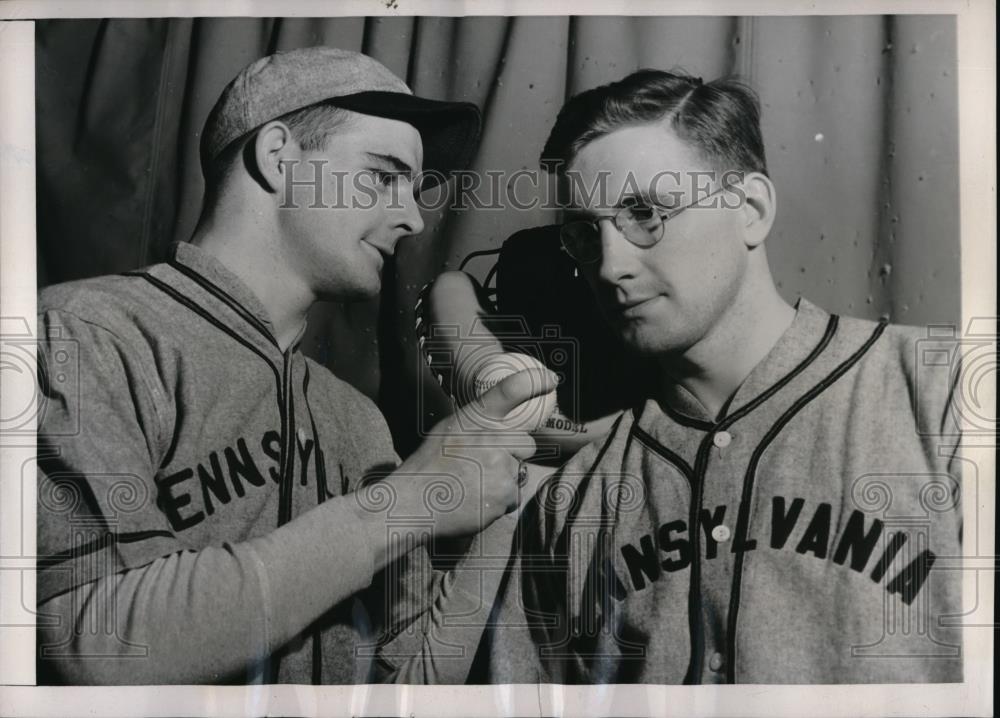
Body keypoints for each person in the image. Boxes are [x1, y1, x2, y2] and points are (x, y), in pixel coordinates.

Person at [406, 69, 963, 684]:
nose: (612, 265)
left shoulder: (941, 394)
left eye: (646, 213)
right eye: (587, 235)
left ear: (750, 210)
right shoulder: (567, 498)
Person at [34, 46, 556, 685]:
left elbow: (409, 680)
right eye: (382, 174)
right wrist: (408, 503)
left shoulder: (355, 419)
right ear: (278, 156)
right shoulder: (87, 335)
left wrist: (506, 485)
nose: (413, 216)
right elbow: (101, 646)